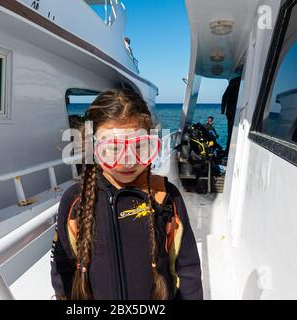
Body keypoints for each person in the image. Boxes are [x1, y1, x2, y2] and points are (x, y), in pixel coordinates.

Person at [50, 89, 203, 300]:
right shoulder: (75, 200)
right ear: (91, 146)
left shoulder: (165, 196)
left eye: (140, 147)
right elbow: (63, 268)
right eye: (112, 149)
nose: (128, 161)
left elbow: (187, 268)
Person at [221, 76, 241, 156]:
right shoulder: (239, 84)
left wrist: (224, 111)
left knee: (230, 133)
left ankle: (228, 151)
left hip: (231, 113)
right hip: (236, 113)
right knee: (234, 134)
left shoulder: (232, 84)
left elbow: (224, 97)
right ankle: (230, 151)